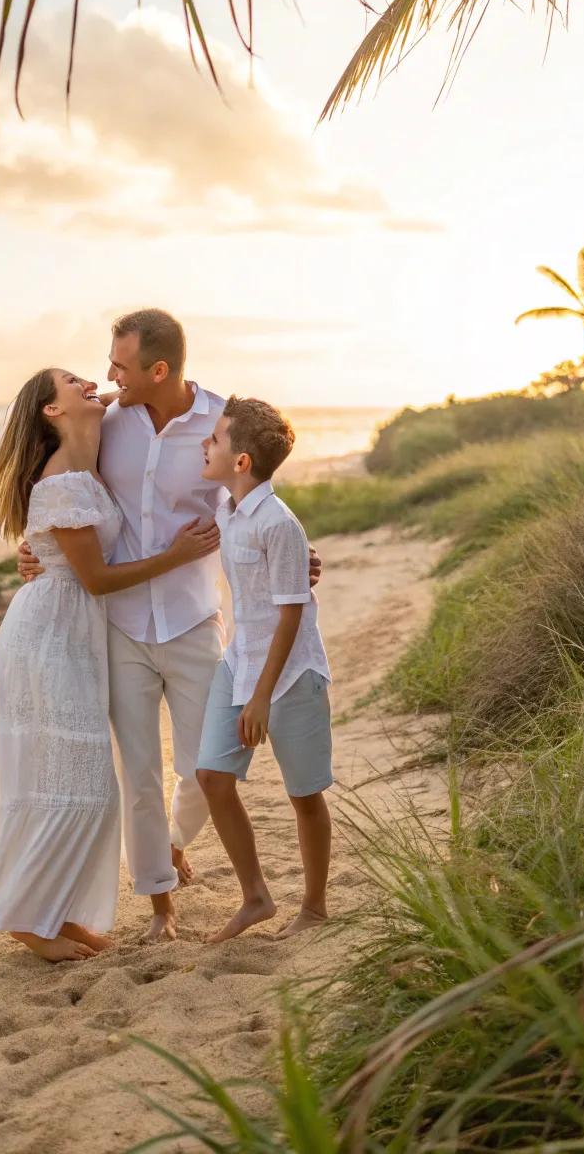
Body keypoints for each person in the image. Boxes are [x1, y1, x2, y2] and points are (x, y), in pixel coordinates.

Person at [18, 310, 322, 942]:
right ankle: (161, 907)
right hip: (120, 622)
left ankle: (174, 842)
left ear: (159, 370)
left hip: (191, 617)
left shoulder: (219, 421)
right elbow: (57, 479)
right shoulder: (107, 421)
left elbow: (248, 494)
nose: (109, 376)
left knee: (206, 767)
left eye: (121, 365)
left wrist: (295, 554)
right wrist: (34, 551)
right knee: (139, 776)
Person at [0, 367, 219, 963]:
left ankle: (51, 912)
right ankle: (29, 920)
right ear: (51, 411)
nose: (92, 381)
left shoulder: (89, 447)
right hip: (50, 637)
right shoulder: (62, 482)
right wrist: (176, 554)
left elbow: (138, 392)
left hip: (75, 632)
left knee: (74, 783)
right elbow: (97, 578)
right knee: (75, 785)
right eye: (71, 381)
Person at [195, 396, 333, 943]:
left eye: (215, 439)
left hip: (291, 672)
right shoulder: (226, 510)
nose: (205, 445)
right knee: (211, 776)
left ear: (242, 460)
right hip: (239, 661)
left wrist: (260, 697)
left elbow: (291, 615)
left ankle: (315, 908)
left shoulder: (279, 523)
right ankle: (256, 897)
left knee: (304, 794)